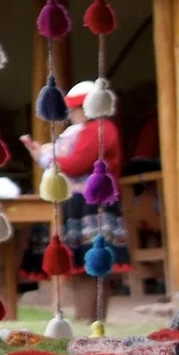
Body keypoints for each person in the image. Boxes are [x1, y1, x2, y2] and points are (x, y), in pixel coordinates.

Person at [21, 81, 129, 268]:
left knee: (87, 265)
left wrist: (46, 159)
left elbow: (77, 164)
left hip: (89, 205)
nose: (70, 114)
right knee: (81, 266)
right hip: (79, 202)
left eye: (74, 109)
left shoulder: (98, 130)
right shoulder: (86, 131)